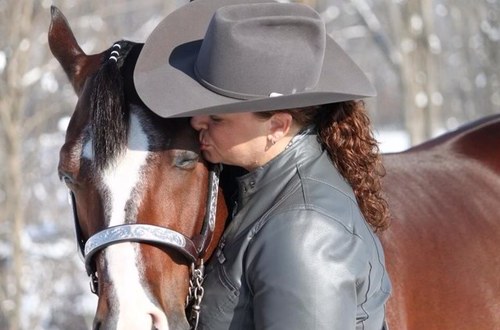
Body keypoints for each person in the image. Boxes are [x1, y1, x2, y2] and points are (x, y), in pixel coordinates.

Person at [134, 0, 392, 329]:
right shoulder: (254, 185)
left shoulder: (305, 233)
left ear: (277, 127)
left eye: (216, 117)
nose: (197, 121)